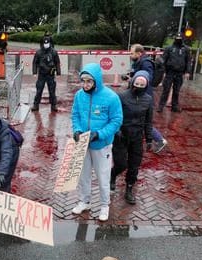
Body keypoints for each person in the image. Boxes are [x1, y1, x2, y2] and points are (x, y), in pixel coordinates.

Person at [71, 63, 123, 222]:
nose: (85, 85)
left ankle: (104, 205)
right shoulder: (79, 95)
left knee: (102, 176)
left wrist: (99, 134)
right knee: (83, 176)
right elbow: (75, 115)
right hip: (83, 144)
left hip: (101, 144)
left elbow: (116, 121)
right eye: (83, 81)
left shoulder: (111, 97)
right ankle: (84, 201)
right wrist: (77, 130)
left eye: (89, 81)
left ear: (97, 81)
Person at [111, 71, 153, 205]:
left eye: (142, 84)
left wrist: (149, 138)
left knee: (134, 165)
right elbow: (115, 115)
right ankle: (112, 175)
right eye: (137, 83)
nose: (139, 85)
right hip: (121, 136)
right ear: (132, 82)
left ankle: (129, 189)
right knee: (121, 164)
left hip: (137, 137)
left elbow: (148, 120)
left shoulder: (148, 99)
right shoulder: (122, 96)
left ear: (146, 85)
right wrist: (116, 130)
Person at [128, 44, 167, 152]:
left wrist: (133, 80)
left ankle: (160, 140)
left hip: (144, 97)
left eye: (132, 53)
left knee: (143, 122)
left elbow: (146, 78)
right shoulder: (139, 62)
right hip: (140, 95)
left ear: (139, 53)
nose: (130, 55)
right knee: (140, 121)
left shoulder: (146, 63)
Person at [157, 33, 191, 113]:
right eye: (177, 38)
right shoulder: (169, 48)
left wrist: (187, 72)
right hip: (170, 72)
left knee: (176, 91)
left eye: (180, 38)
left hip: (179, 73)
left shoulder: (186, 49)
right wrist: (163, 70)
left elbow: (188, 61)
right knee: (166, 90)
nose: (178, 40)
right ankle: (161, 106)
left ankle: (174, 106)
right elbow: (163, 59)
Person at [31, 34, 61, 112]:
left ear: (50, 43)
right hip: (41, 74)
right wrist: (34, 72)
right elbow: (35, 62)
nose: (46, 44)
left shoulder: (54, 52)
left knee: (52, 91)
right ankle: (36, 105)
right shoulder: (39, 52)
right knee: (39, 90)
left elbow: (57, 62)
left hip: (51, 74)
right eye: (45, 43)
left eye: (47, 43)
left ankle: (53, 105)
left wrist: (58, 72)